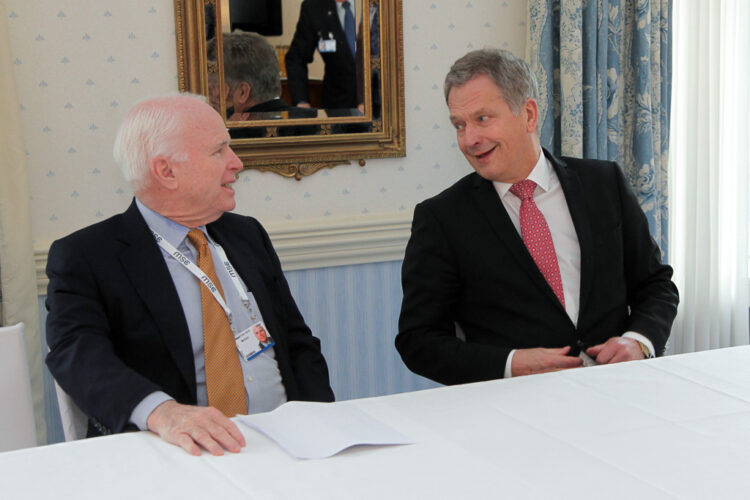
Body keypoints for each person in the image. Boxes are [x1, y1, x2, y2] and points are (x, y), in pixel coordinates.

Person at [45, 93, 334, 456]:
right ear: (166, 171)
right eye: (219, 152)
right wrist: (162, 413)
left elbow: (297, 342)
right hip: (180, 453)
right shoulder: (88, 256)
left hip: (285, 445)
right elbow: (77, 354)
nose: (237, 163)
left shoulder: (246, 235)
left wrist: (318, 420)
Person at [395, 48, 679, 385]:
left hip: (619, 391)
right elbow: (419, 341)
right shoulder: (441, 219)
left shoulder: (604, 184)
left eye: (482, 119)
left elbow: (656, 286)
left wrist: (639, 342)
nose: (469, 139)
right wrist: (510, 364)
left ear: (528, 114)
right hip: (513, 409)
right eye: (460, 125)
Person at [206, 30, 317, 121]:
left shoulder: (232, 140)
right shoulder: (320, 122)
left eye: (211, 90)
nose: (207, 100)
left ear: (243, 92)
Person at [284, 0, 359, 110]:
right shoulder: (314, 8)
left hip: (382, 103)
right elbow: (296, 58)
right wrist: (301, 101)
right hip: (338, 108)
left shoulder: (378, 4)